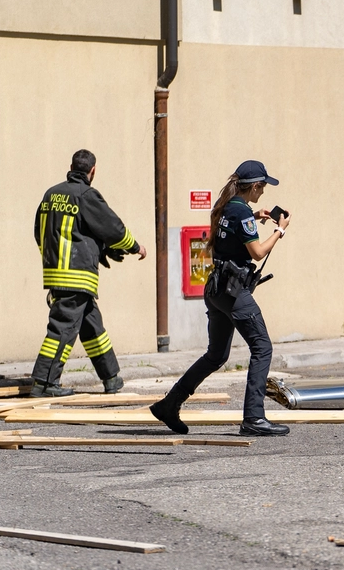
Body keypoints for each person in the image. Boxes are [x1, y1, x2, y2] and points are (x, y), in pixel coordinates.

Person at [150, 160, 291, 437]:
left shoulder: (226, 206)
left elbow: (236, 228)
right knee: (262, 347)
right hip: (234, 292)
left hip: (215, 290)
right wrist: (280, 230)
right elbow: (258, 252)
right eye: (262, 188)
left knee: (216, 355)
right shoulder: (243, 215)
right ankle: (254, 418)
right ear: (253, 186)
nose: (263, 193)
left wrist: (255, 214)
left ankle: (170, 404)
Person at [30, 150, 147, 397]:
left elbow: (40, 231)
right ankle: (44, 382)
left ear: (71, 166)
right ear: (92, 171)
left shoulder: (51, 194)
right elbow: (113, 228)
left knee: (92, 326)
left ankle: (111, 378)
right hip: (77, 275)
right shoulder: (86, 195)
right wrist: (135, 246)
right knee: (62, 329)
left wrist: (94, 251)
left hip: (56, 272)